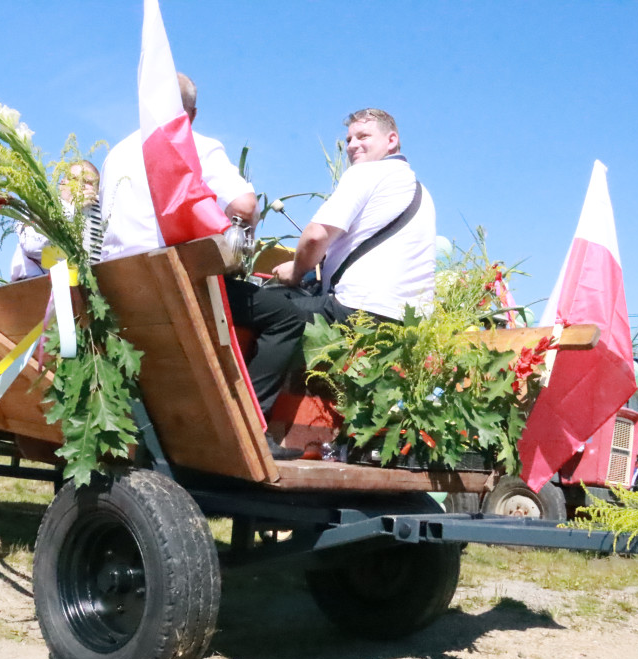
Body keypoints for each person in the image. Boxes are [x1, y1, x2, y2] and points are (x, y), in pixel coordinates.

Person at [100, 73, 306, 459]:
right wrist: (238, 238)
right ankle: (251, 427)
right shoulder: (196, 146)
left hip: (120, 289)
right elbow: (245, 205)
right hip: (175, 285)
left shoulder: (116, 154)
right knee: (286, 315)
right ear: (191, 115)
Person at [272, 108, 437, 325]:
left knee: (264, 309)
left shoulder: (367, 172)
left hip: (358, 309)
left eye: (363, 136)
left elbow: (315, 236)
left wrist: (295, 271)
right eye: (349, 139)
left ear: (391, 140)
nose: (351, 145)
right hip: (412, 323)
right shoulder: (422, 193)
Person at [9, 160, 101, 281]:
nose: (82, 186)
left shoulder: (100, 216)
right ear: (62, 184)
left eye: (89, 182)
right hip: (34, 287)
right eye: (76, 179)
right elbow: (32, 246)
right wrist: (73, 209)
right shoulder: (40, 206)